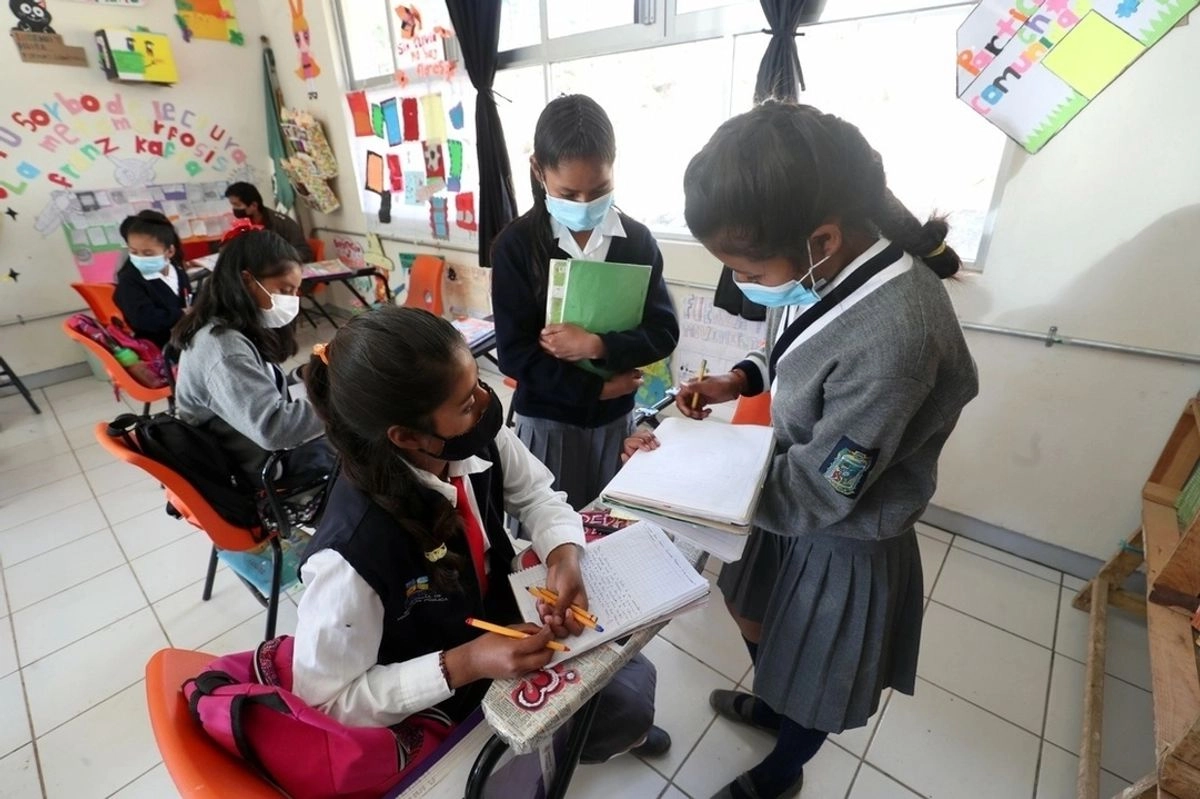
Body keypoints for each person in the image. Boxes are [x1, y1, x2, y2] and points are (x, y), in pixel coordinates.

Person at [676, 102, 979, 799]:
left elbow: (823, 488)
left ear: (821, 238)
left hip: (842, 530)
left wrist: (694, 478)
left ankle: (782, 768)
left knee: (815, 674)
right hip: (782, 491)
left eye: (747, 269)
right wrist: (739, 379)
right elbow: (796, 348)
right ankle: (776, 703)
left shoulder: (897, 335)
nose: (744, 283)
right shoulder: (828, 264)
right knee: (752, 611)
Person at [293, 305, 670, 767]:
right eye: (467, 403)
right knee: (618, 707)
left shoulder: (471, 436)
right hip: (440, 684)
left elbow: (537, 494)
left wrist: (563, 554)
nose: (485, 403)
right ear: (408, 437)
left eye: (478, 384)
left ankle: (610, 734)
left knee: (628, 675)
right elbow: (327, 704)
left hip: (497, 618)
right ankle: (588, 743)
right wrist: (466, 663)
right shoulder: (350, 555)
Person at [491, 94, 679, 526]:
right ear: (538, 170)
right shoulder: (517, 246)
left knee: (610, 526)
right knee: (549, 530)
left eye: (598, 191)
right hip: (547, 421)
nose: (583, 203)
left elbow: (663, 332)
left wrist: (597, 345)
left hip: (616, 422)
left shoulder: (637, 242)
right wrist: (593, 390)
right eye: (568, 193)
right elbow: (515, 353)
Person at [171, 226, 329, 488]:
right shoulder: (224, 348)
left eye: (295, 292)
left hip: (250, 450)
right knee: (359, 450)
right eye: (285, 290)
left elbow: (257, 389)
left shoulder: (232, 326)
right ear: (247, 281)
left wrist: (302, 376)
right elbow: (274, 429)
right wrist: (339, 402)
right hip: (255, 469)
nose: (293, 300)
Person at [113, 210, 191, 348]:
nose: (140, 258)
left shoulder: (176, 270)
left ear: (170, 251)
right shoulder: (129, 280)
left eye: (148, 254)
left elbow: (187, 298)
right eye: (134, 252)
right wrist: (181, 314)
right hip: (159, 345)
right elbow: (144, 319)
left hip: (185, 336)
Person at [224, 182, 314, 262]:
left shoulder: (282, 223)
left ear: (254, 205)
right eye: (232, 205)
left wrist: (277, 259)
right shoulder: (241, 225)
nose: (234, 209)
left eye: (237, 205)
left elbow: (304, 254)